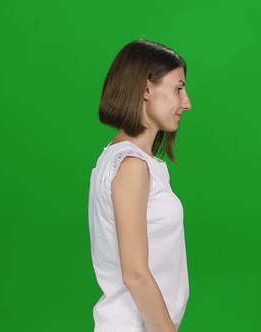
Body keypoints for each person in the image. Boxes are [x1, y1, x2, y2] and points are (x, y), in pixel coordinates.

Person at [87, 39, 193, 332]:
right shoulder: (131, 166)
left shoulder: (123, 161)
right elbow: (135, 273)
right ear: (147, 88)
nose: (186, 103)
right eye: (178, 88)